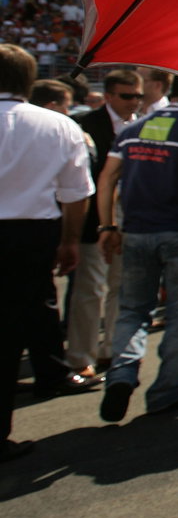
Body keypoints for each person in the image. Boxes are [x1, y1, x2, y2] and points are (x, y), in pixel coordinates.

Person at [96, 76, 178, 421]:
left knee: (132, 310)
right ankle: (167, 393)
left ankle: (121, 375)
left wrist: (108, 225)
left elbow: (107, 178)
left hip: (136, 231)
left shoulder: (133, 128)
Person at [0, 44, 95, 459]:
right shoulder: (58, 125)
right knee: (29, 312)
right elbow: (76, 194)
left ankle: (50, 371)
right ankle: (49, 374)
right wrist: (70, 240)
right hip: (32, 233)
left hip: (30, 228)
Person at [65, 68, 143, 383]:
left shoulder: (146, 125)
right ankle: (81, 358)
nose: (133, 102)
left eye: (138, 96)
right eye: (127, 96)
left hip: (133, 217)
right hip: (95, 218)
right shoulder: (82, 125)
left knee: (122, 288)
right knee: (89, 289)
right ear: (108, 95)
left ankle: (112, 350)